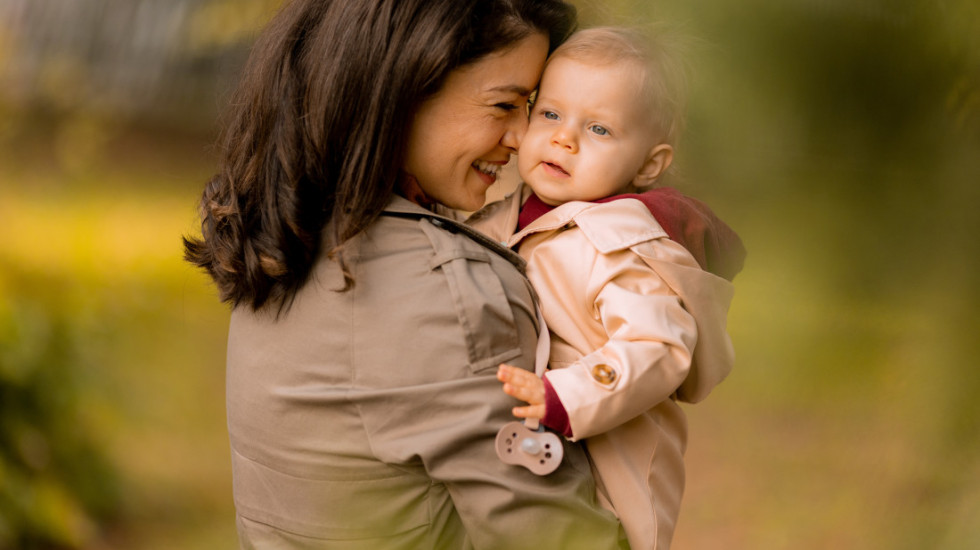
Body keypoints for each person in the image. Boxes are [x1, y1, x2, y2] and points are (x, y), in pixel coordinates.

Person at [183, 1, 627, 548]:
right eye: (505, 104)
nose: (522, 137)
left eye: (531, 107)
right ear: (404, 91)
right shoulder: (450, 292)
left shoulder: (285, 239)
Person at [466, 27, 747, 549]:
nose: (563, 138)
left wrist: (565, 394)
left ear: (649, 164)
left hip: (611, 474)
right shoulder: (508, 215)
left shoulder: (622, 247)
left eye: (598, 129)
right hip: (531, 462)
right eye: (550, 114)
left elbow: (659, 348)